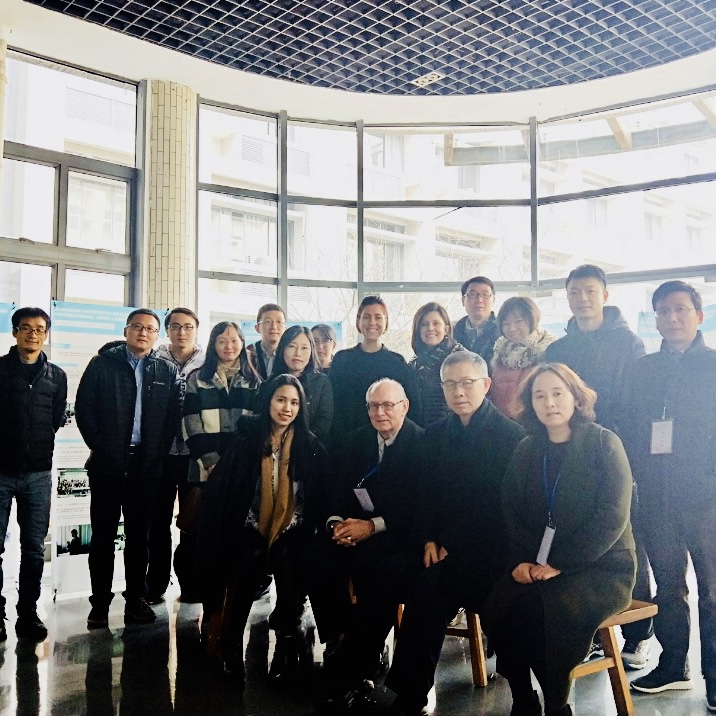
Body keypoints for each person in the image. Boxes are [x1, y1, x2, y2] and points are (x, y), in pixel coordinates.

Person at [482, 363, 636, 716]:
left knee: (546, 611)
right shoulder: (527, 448)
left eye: (557, 393)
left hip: (600, 568)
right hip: (538, 561)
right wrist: (521, 562)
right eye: (539, 396)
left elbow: (612, 517)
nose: (549, 402)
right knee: (502, 601)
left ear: (575, 397)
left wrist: (560, 564)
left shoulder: (604, 443)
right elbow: (512, 511)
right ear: (531, 404)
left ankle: (557, 705)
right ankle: (523, 699)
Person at [383, 351, 524, 715]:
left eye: (467, 383)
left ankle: (525, 696)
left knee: (503, 603)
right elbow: (425, 496)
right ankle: (411, 692)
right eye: (450, 384)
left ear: (486, 385)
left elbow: (498, 506)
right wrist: (429, 538)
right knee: (424, 589)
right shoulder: (435, 435)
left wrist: (451, 543)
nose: (458, 392)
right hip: (444, 549)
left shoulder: (510, 436)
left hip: (490, 551)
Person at [544, 264, 651, 666]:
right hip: (568, 455)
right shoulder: (558, 349)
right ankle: (587, 630)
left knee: (624, 536)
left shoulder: (628, 342)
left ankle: (638, 634)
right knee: (576, 535)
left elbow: (635, 404)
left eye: (590, 291)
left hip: (614, 451)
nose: (582, 298)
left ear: (604, 295)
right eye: (575, 291)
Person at [196, 374, 331, 687]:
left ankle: (288, 634)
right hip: (249, 521)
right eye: (281, 400)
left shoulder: (310, 445)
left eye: (294, 402)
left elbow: (319, 498)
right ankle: (232, 638)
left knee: (284, 551)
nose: (287, 408)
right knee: (253, 551)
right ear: (269, 401)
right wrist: (251, 524)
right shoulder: (247, 440)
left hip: (294, 524)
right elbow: (228, 493)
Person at [621, 281, 716, 710]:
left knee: (712, 591)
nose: (672, 318)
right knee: (668, 587)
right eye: (664, 311)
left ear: (699, 315)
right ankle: (674, 665)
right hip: (657, 496)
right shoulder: (643, 369)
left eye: (681, 309)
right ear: (655, 319)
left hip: (707, 499)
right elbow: (629, 426)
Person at [307, 379, 425, 712]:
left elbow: (418, 507)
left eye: (388, 405)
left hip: (396, 532)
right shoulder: (354, 440)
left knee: (372, 567)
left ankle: (357, 659)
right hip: (352, 525)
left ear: (404, 407)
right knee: (315, 556)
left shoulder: (422, 443)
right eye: (373, 406)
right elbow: (336, 488)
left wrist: (372, 527)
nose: (380, 412)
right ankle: (341, 636)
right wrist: (336, 524)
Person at [75, 308, 183, 629]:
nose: (143, 333)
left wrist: (156, 455)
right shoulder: (102, 364)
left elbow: (172, 419)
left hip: (145, 468)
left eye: (150, 329)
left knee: (139, 538)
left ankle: (135, 600)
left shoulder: (166, 370)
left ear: (157, 335)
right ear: (126, 331)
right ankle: (99, 604)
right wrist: (102, 447)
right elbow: (84, 409)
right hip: (107, 466)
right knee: (103, 537)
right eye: (137, 326)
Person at [0, 307, 67, 642]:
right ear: (15, 332)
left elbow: (55, 419)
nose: (33, 334)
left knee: (34, 549)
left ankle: (28, 613)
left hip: (38, 474)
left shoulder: (56, 376)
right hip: (1, 471)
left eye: (40, 329)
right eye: (26, 328)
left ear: (46, 334)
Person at [146, 307, 205, 604]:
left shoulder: (207, 362)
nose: (182, 332)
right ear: (167, 330)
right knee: (157, 521)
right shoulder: (154, 361)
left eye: (188, 326)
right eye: (176, 326)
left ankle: (191, 583)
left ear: (196, 329)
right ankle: (155, 583)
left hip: (194, 455)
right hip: (162, 453)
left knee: (192, 520)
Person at [330, 296, 421, 441]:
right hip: (346, 441)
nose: (372, 322)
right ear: (358, 321)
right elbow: (333, 405)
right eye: (366, 317)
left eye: (378, 317)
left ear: (386, 322)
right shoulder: (342, 359)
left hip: (387, 440)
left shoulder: (397, 362)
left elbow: (412, 406)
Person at [182, 321, 260, 484]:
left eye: (234, 340)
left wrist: (240, 459)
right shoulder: (197, 378)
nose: (228, 346)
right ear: (213, 345)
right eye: (222, 341)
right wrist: (210, 461)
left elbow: (257, 425)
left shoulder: (253, 382)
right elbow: (190, 422)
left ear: (242, 343)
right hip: (204, 466)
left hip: (242, 466)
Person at [266, 325, 333, 443]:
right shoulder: (270, 382)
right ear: (282, 348)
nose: (298, 353)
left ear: (311, 351)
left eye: (304, 348)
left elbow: (323, 424)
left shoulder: (321, 382)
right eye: (292, 346)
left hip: (308, 447)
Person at [490, 297, 556, 418]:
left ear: (532, 320)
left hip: (536, 420)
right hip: (501, 421)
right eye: (506, 323)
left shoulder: (549, 351)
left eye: (519, 321)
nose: (512, 328)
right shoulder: (499, 351)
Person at [408, 302, 465, 427]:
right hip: (419, 431)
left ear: (446, 329)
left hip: (451, 429)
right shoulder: (414, 363)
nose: (430, 328)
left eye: (436, 323)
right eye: (424, 324)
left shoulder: (459, 358)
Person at [452, 276, 500, 366]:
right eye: (473, 294)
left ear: (493, 300)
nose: (479, 300)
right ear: (463, 300)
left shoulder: (503, 331)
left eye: (485, 295)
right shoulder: (451, 332)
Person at [247, 303, 287, 380]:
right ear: (257, 328)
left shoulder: (290, 355)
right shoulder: (247, 355)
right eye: (268, 321)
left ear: (285, 328)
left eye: (279, 322)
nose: (274, 327)